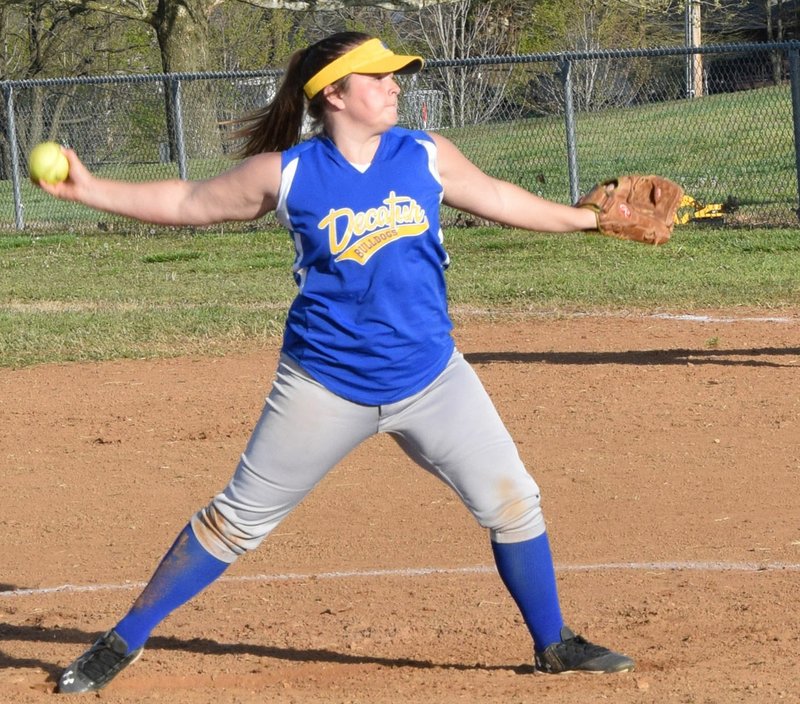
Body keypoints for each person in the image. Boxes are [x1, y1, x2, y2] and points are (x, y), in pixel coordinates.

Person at [37, 32, 636, 695]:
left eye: (394, 77)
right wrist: (89, 189)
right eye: (377, 77)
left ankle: (553, 643)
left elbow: (498, 197)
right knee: (235, 521)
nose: (395, 86)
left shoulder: (425, 155)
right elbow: (187, 203)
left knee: (515, 502)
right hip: (324, 386)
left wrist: (586, 220)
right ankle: (125, 638)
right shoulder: (288, 173)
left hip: (432, 378)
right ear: (334, 94)